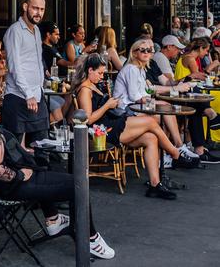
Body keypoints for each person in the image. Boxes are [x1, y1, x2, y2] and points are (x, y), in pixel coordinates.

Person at [0, 87, 115, 259]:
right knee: (77, 185)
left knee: (46, 168)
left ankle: (53, 219)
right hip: (13, 187)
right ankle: (91, 239)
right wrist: (19, 174)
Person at [74, 55, 196, 199]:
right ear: (90, 70)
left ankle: (155, 185)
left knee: (151, 138)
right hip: (101, 131)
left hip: (111, 123)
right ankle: (176, 154)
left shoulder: (94, 85)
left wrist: (113, 104)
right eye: (100, 73)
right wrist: (107, 105)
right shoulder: (85, 90)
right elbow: (87, 119)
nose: (102, 76)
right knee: (150, 121)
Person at [113, 40, 200, 164]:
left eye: (149, 50)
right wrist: (156, 102)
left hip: (136, 106)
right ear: (134, 53)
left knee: (167, 109)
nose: (146, 52)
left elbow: (145, 93)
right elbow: (134, 97)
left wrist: (156, 100)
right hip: (126, 110)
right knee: (162, 114)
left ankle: (172, 151)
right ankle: (168, 153)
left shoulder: (140, 69)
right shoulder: (131, 69)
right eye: (142, 50)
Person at [1, 0, 50, 146]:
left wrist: (40, 86)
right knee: (14, 148)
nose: (39, 13)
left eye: (42, 9)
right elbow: (15, 66)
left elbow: (35, 61)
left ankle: (40, 170)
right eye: (35, 8)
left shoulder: (36, 31)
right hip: (18, 96)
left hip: (37, 94)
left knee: (42, 145)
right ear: (25, 7)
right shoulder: (14, 31)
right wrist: (28, 94)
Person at [38, 21, 72, 123]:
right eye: (56, 34)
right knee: (58, 104)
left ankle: (58, 125)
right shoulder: (45, 49)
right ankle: (59, 127)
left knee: (64, 100)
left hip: (49, 84)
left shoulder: (52, 48)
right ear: (48, 35)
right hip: (42, 88)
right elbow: (65, 63)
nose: (59, 37)